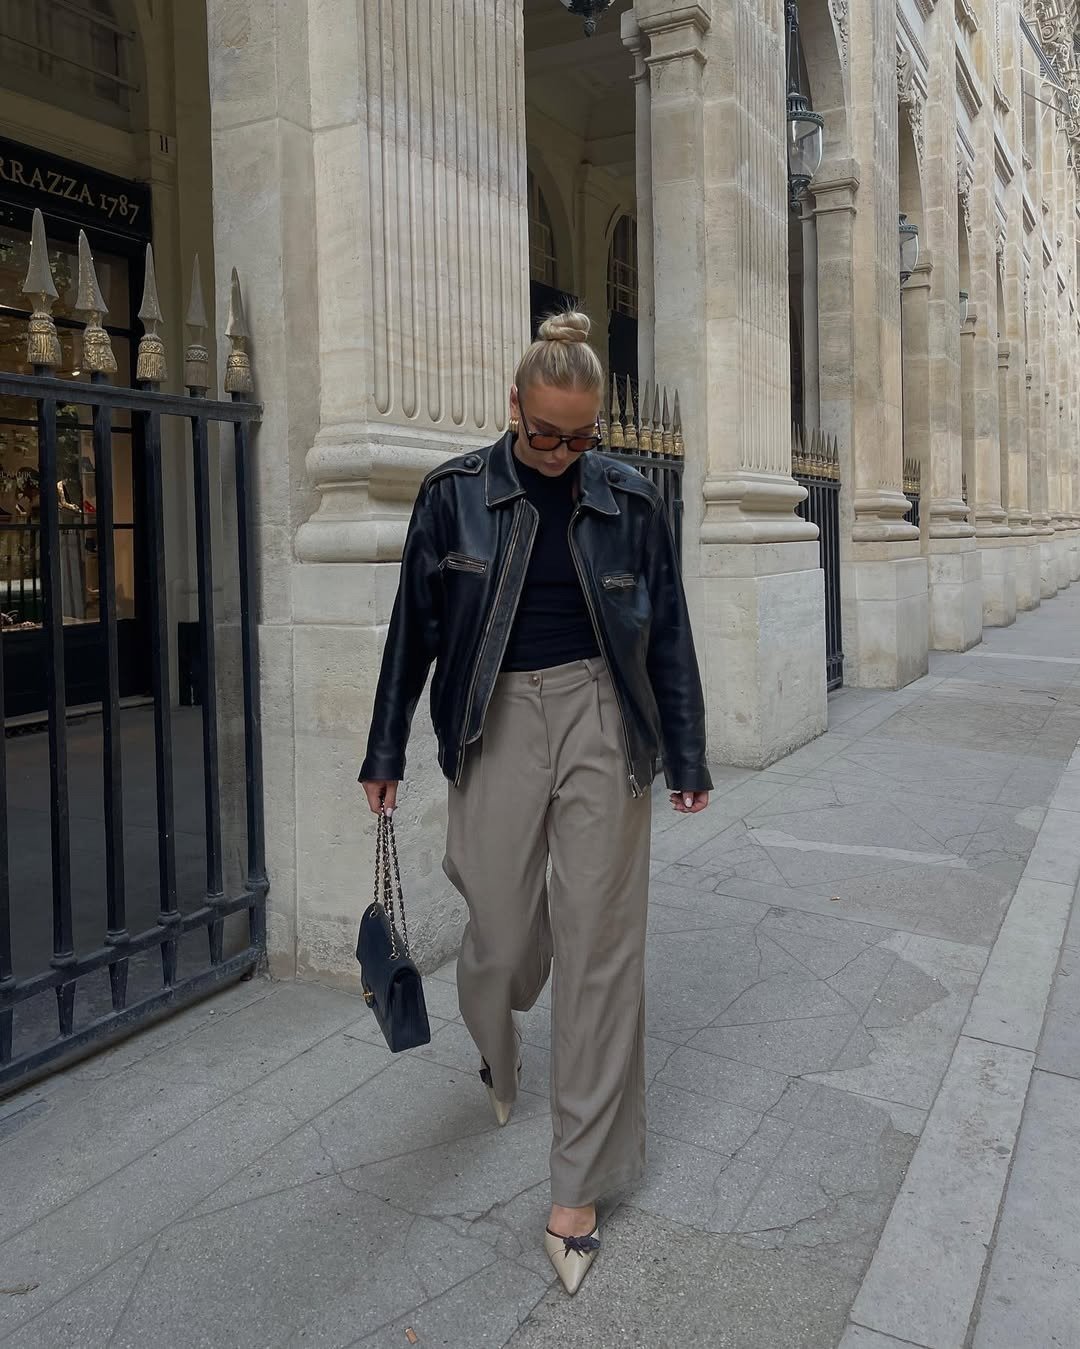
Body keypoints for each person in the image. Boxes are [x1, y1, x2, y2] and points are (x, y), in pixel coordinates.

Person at [360, 311, 711, 1295]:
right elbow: (411, 632)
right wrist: (384, 745)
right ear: (513, 407)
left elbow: (669, 630)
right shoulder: (454, 496)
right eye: (545, 433)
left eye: (580, 436)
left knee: (601, 944)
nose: (561, 454)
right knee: (506, 934)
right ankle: (495, 1035)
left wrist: (686, 748)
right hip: (496, 716)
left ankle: (577, 1186)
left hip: (604, 710)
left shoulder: (631, 497)